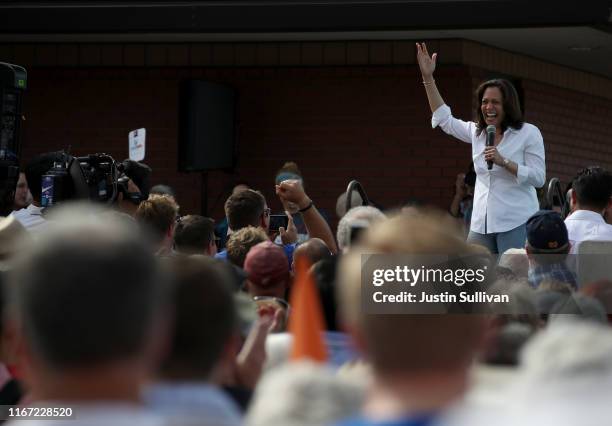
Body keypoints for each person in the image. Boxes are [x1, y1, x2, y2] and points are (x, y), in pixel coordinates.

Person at [416, 42, 545, 254]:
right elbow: (445, 119)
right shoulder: (478, 132)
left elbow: (539, 178)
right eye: (485, 102)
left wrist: (505, 162)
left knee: (512, 280)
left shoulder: (528, 133)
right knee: (475, 280)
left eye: (495, 102)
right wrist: (428, 78)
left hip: (515, 222)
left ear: (508, 105)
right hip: (480, 223)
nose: (488, 107)